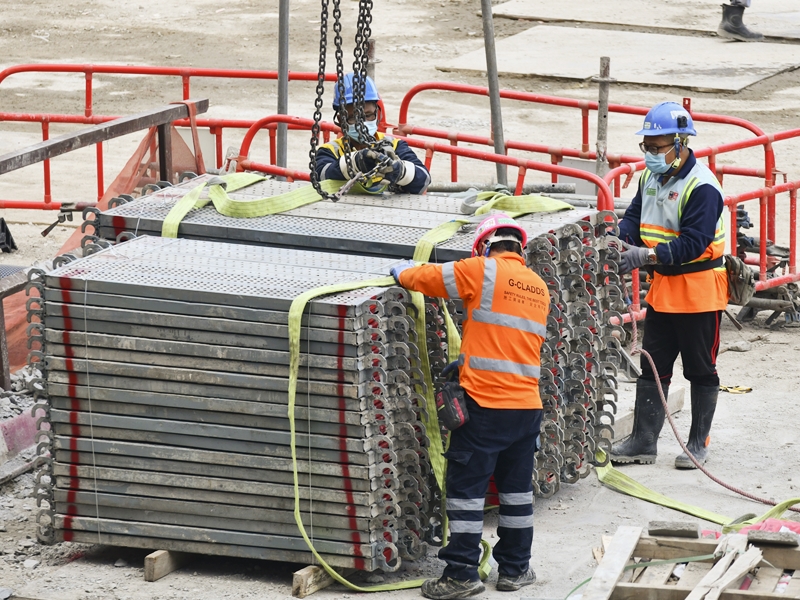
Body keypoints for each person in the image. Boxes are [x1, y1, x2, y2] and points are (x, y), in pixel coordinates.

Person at [390, 214, 548, 599]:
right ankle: (515, 570)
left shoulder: (482, 271)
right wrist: (466, 361)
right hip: (526, 406)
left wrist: (400, 271)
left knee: (467, 490)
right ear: (519, 247)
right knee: (515, 493)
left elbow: (427, 278)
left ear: (485, 245)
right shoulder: (539, 286)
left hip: (485, 406)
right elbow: (507, 339)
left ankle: (460, 573)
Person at [611, 101, 727, 470]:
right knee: (653, 365)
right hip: (663, 289)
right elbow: (634, 217)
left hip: (698, 290)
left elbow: (694, 242)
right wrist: (620, 240)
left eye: (658, 148)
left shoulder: (702, 187)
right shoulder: (650, 177)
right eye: (646, 147)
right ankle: (644, 441)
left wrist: (644, 257)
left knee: (700, 367)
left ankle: (697, 443)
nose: (650, 155)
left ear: (681, 143)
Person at [313, 72, 430, 194]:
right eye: (353, 118)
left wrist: (401, 171)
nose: (362, 124)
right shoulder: (330, 151)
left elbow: (424, 179)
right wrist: (354, 162)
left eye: (368, 115)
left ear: (377, 114)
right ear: (340, 120)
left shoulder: (395, 146)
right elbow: (320, 175)